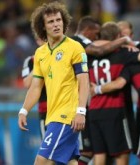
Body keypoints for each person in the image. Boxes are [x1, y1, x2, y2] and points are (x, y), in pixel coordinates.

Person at [18, 2, 89, 165]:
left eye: (58, 20)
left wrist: (80, 111)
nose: (56, 24)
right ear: (42, 27)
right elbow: (36, 86)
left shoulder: (75, 48)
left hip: (67, 116)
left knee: (41, 162)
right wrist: (24, 110)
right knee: (70, 162)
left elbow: (84, 81)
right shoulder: (40, 53)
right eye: (51, 22)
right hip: (52, 116)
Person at [71, 15, 134, 165]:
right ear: (87, 31)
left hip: (91, 109)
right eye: (96, 34)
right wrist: (124, 41)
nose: (96, 38)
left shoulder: (86, 56)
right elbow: (99, 50)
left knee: (94, 152)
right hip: (85, 105)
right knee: (118, 153)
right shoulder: (79, 42)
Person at [21, 36, 47, 140]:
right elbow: (27, 83)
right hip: (45, 108)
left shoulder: (60, 56)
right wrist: (39, 62)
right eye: (42, 39)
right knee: (47, 149)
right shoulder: (30, 61)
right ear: (37, 40)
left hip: (64, 107)